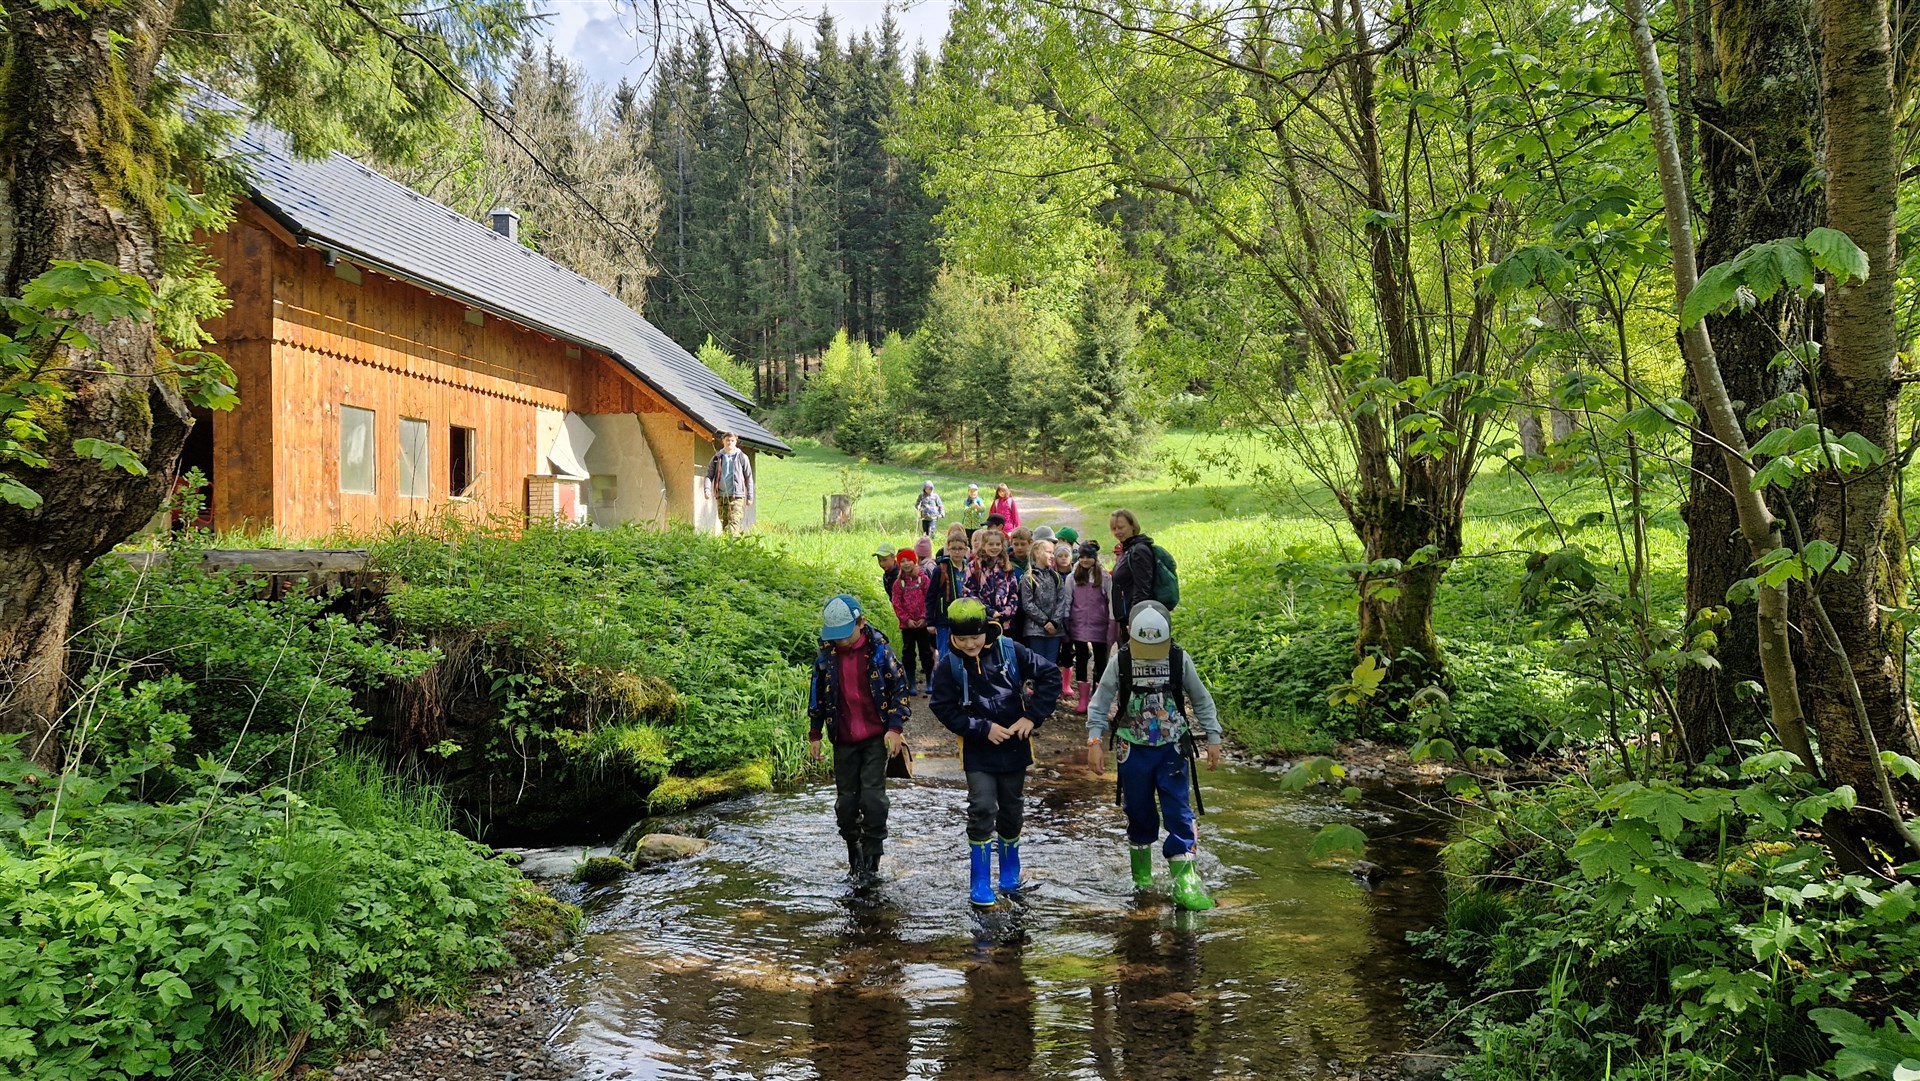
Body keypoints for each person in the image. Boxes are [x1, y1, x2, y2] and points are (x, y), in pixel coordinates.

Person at [1086, 601, 1223, 911]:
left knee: (1179, 811)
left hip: (1172, 748)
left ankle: (1186, 882)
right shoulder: (1120, 661)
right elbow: (1100, 701)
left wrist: (1213, 736)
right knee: (1139, 810)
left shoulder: (1178, 659)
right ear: (1129, 634)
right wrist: (1094, 740)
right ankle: (1142, 878)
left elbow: (1201, 698)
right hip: (1131, 749)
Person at [930, 598, 1061, 905]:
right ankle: (979, 881)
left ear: (987, 629)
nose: (969, 644)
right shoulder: (948, 665)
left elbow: (1050, 675)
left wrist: (1032, 717)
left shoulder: (1011, 651)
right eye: (962, 639)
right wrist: (981, 728)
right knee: (982, 807)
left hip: (1015, 746)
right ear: (952, 636)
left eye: (974, 637)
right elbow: (943, 707)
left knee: (1012, 809)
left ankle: (1009, 874)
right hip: (977, 750)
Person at [807, 595, 912, 885]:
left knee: (873, 800)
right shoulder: (826, 657)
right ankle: (854, 853)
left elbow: (900, 687)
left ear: (861, 623)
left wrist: (895, 728)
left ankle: (872, 862)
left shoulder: (880, 651)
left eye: (845, 635)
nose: (840, 642)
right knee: (846, 804)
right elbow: (817, 695)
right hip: (843, 739)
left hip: (875, 738)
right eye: (835, 636)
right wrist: (815, 734)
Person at [1067, 539, 1113, 715]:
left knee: (1101, 660)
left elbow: (1110, 602)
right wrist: (1066, 621)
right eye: (1082, 557)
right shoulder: (1072, 577)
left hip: (1099, 625)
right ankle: (1083, 699)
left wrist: (1112, 623)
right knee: (1081, 659)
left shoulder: (1104, 577)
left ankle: (1099, 698)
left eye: (1089, 557)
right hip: (1078, 624)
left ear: (1095, 557)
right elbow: (1068, 600)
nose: (1085, 560)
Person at [1021, 539, 1071, 676]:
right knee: (1038, 664)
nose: (1052, 556)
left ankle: (1050, 687)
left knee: (1051, 664)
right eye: (1049, 552)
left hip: (1054, 630)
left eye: (1053, 553)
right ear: (1037, 553)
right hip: (1035, 630)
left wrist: (1054, 622)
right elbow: (1028, 604)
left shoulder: (1056, 577)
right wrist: (1045, 621)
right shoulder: (1028, 578)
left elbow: (1062, 601)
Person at [890, 548, 935, 695]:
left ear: (914, 561)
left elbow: (930, 599)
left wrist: (924, 617)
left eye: (909, 560)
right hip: (907, 626)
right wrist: (906, 619)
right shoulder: (898, 584)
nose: (906, 563)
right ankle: (911, 682)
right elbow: (896, 603)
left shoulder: (923, 579)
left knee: (926, 652)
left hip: (923, 624)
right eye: (902, 561)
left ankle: (929, 679)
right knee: (908, 653)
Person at [928, 533, 972, 668]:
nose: (957, 552)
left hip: (965, 618)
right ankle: (945, 678)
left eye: (960, 548)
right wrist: (930, 621)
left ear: (966, 549)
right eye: (953, 548)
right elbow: (931, 596)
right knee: (945, 653)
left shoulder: (970, 568)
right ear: (948, 549)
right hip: (944, 619)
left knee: (964, 652)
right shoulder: (941, 569)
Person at [1109, 508, 1160, 623]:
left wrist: (1135, 618)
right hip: (1127, 616)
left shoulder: (1139, 551)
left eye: (1121, 527)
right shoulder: (1128, 549)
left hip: (1137, 618)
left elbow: (1142, 588)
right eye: (1114, 529)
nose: (1117, 532)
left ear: (1132, 526)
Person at [969, 527, 1021, 630]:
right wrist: (989, 611)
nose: (994, 547)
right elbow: (969, 592)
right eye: (991, 544)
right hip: (982, 620)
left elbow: (1013, 593)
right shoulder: (974, 566)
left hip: (1005, 622)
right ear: (984, 545)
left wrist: (1004, 613)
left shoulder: (1006, 566)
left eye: (998, 544)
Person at [704, 431, 754, 536]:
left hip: (737, 496)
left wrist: (750, 496)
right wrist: (707, 489)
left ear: (736, 442)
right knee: (724, 523)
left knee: (734, 522)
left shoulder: (742, 457)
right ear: (723, 441)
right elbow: (709, 475)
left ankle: (732, 543)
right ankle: (728, 544)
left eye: (732, 440)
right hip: (721, 496)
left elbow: (748, 477)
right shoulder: (717, 458)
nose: (729, 442)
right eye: (727, 440)